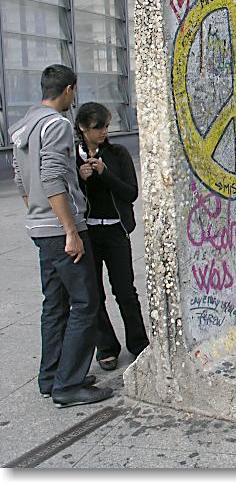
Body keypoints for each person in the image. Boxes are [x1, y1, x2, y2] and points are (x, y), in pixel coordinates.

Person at [11, 65, 113, 407]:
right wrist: (70, 229)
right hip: (61, 229)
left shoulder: (24, 125)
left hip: (41, 227)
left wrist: (39, 214)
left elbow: (22, 181)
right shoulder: (56, 125)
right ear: (69, 89)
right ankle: (68, 385)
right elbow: (53, 177)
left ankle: (52, 377)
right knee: (85, 303)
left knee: (54, 304)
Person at [75, 102, 149, 372]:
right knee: (94, 293)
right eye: (98, 127)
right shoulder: (73, 156)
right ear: (83, 128)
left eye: (106, 126)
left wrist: (105, 173)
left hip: (116, 230)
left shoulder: (118, 154)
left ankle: (139, 343)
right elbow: (66, 195)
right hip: (88, 232)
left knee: (125, 290)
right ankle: (106, 348)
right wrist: (80, 179)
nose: (104, 132)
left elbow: (130, 192)